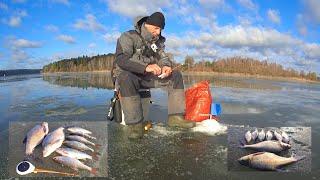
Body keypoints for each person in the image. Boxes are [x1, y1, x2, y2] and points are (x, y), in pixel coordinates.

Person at [112, 12, 195, 139]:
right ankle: (135, 126)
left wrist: (166, 66)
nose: (158, 32)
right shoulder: (128, 36)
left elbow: (163, 57)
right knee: (126, 77)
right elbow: (121, 60)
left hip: (146, 77)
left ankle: (176, 118)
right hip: (128, 76)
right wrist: (145, 67)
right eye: (156, 28)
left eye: (160, 29)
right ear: (147, 24)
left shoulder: (156, 42)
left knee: (176, 75)